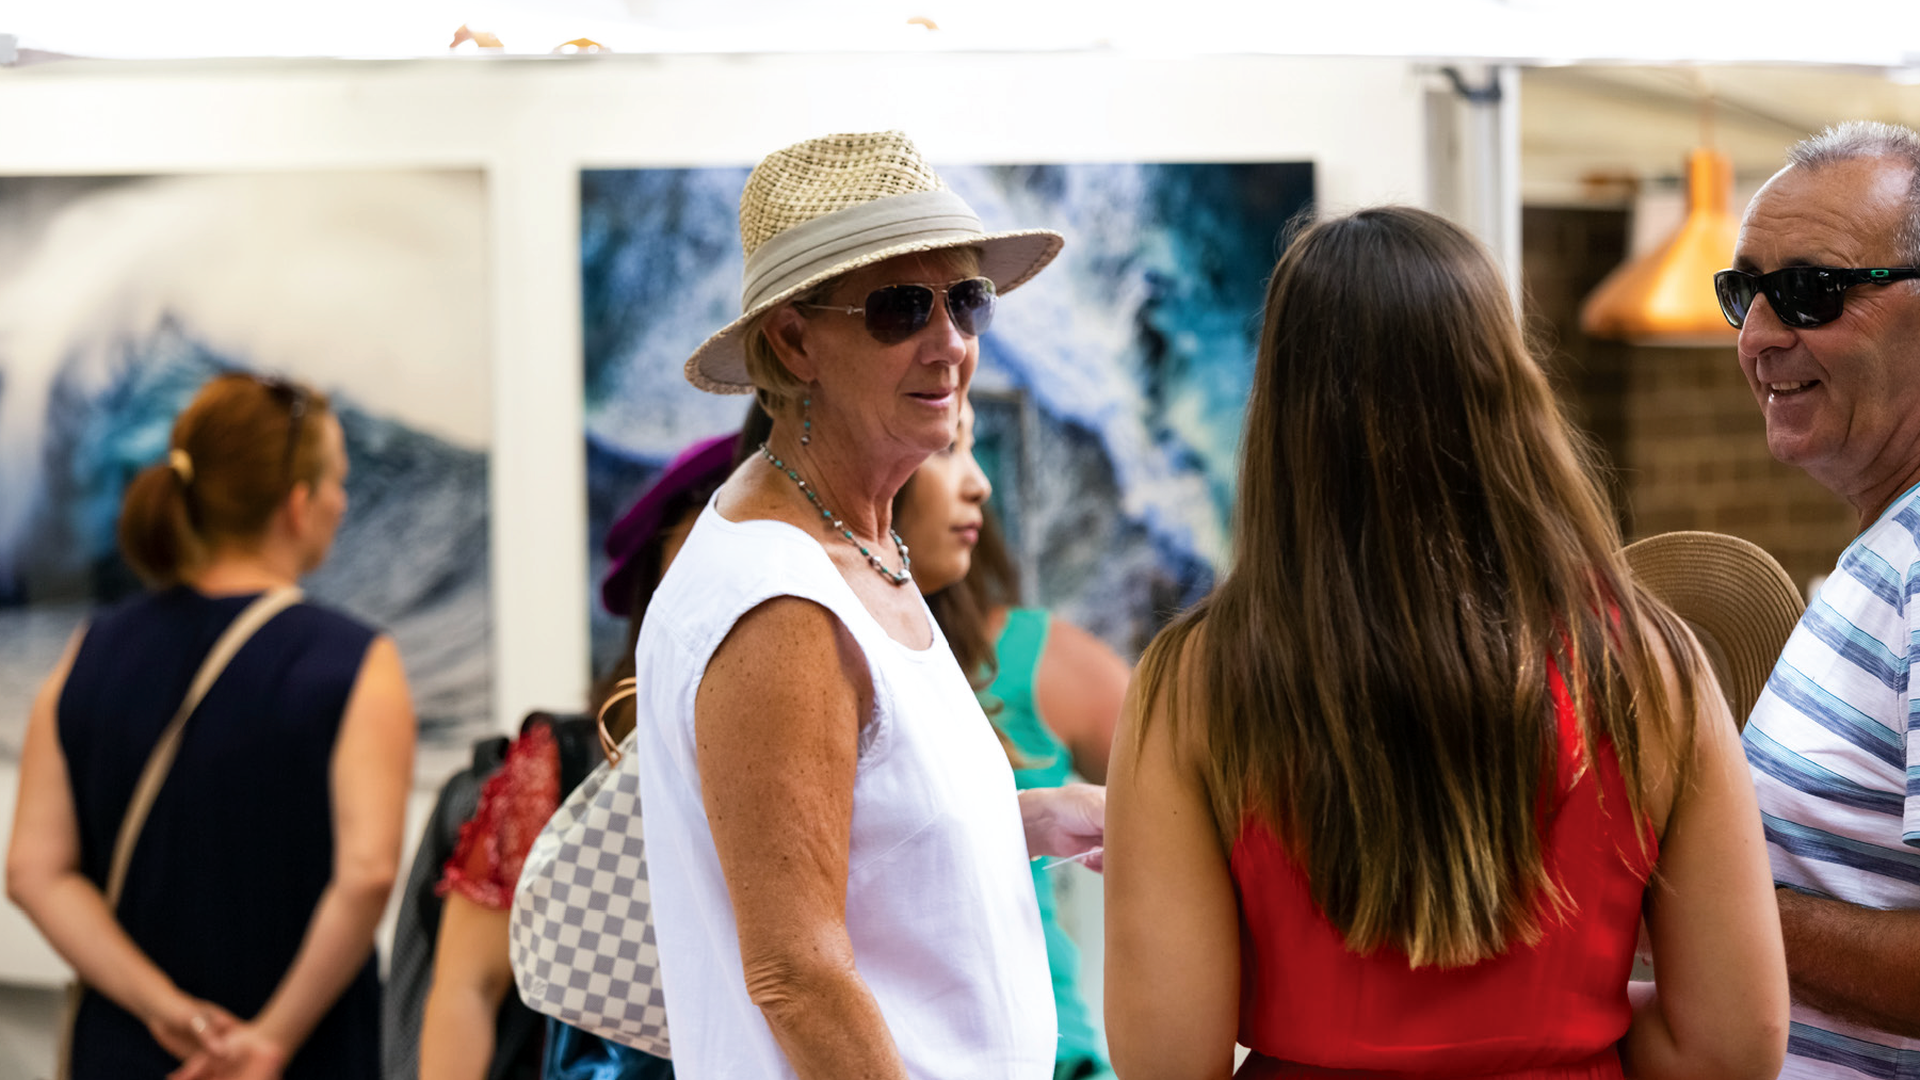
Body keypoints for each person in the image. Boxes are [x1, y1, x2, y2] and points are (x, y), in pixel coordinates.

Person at [1104, 206, 1788, 1079]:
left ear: (1279, 405)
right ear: (1508, 386)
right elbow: (1733, 1049)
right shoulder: (1653, 668)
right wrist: (1575, 1030)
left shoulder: (1192, 686)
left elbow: (1168, 1061)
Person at [632, 129, 1103, 1079]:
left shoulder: (858, 540)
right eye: (899, 309)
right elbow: (795, 973)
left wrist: (1038, 820)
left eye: (968, 300)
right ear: (795, 341)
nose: (951, 342)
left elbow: (862, 845)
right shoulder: (779, 600)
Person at [6, 372, 416, 1079]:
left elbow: (33, 871)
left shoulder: (88, 652)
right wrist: (268, 1040)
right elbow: (368, 874)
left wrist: (169, 1009)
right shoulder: (355, 663)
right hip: (301, 1057)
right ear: (298, 505)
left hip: (134, 1052)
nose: (343, 503)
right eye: (336, 484)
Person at [412, 417, 767, 1080]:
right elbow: (468, 985)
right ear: (657, 582)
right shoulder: (565, 762)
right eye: (708, 547)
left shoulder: (812, 758)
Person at [1715, 120, 1920, 1077]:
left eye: (1809, 292)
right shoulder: (1886, 549)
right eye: (1742, 292)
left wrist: (1678, 890)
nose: (1758, 336)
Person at [897, 419, 1126, 1080]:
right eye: (944, 447)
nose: (980, 485)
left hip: (1054, 1060)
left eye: (967, 443)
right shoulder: (811, 653)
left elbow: (1214, 809)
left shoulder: (1029, 653)